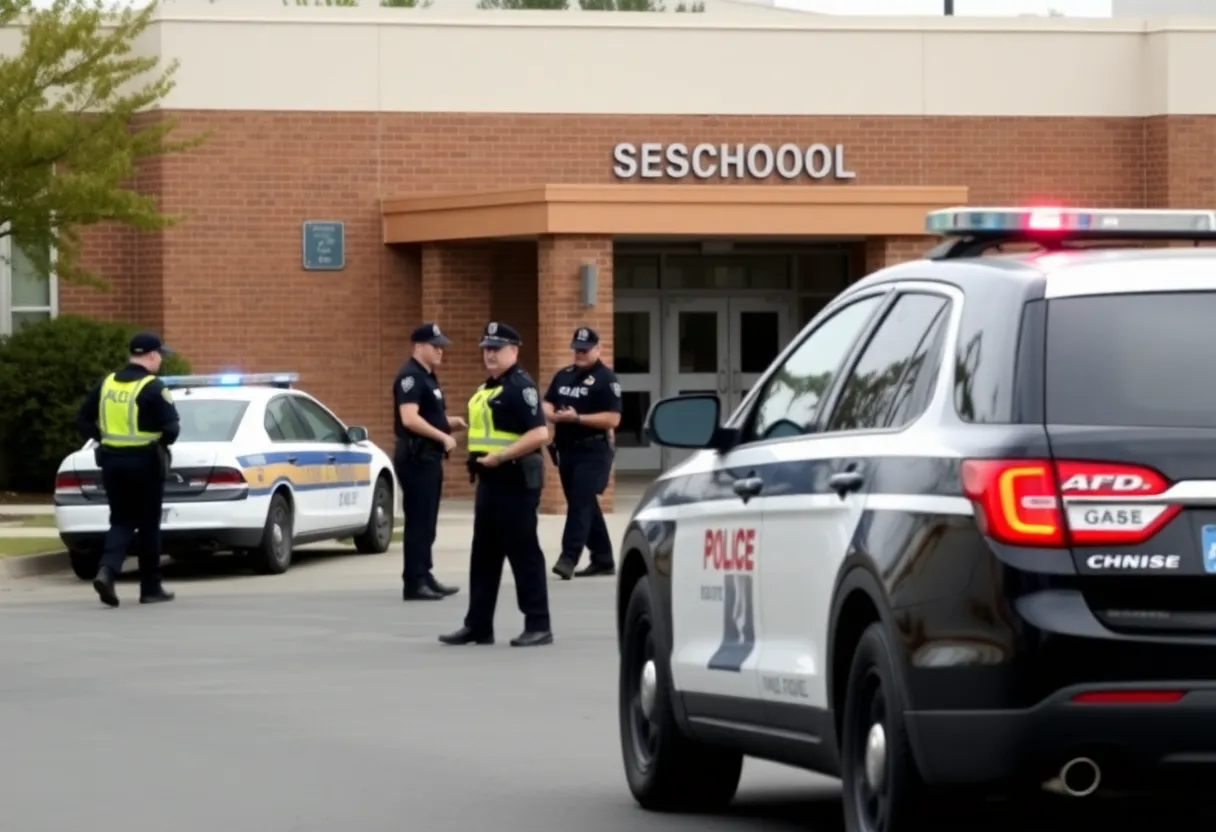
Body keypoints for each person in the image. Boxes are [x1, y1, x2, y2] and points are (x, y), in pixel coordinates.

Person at [439, 321, 554, 648]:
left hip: (515, 479)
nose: (489, 354)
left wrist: (501, 456)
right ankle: (478, 625)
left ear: (514, 351)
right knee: (484, 556)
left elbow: (539, 433)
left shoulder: (520, 386)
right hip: (490, 481)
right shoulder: (487, 387)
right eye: (486, 348)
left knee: (524, 553)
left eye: (497, 349)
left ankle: (539, 624)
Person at [75, 332, 181, 608]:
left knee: (121, 520)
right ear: (152, 356)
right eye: (160, 356)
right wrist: (160, 444)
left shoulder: (107, 383)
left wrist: (103, 440)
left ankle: (107, 571)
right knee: (148, 525)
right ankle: (150, 588)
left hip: (111, 462)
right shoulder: (154, 387)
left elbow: (83, 418)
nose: (160, 360)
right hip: (145, 463)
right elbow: (172, 429)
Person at [393, 323, 466, 601]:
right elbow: (409, 418)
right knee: (419, 521)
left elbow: (428, 418)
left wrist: (450, 424)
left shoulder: (428, 377)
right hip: (416, 456)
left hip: (428, 455)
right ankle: (414, 582)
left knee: (428, 521)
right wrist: (443, 436)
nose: (440, 351)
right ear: (418, 347)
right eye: (434, 346)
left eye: (441, 346)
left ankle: (425, 574)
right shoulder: (410, 377)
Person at [544, 326, 621, 580]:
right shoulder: (564, 375)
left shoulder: (606, 379)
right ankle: (603, 558)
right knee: (585, 504)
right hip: (567, 450)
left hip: (594, 450)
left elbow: (613, 418)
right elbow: (547, 400)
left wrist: (578, 418)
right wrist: (551, 413)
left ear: (598, 349)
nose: (580, 354)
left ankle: (568, 558)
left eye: (585, 350)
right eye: (576, 349)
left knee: (579, 503)